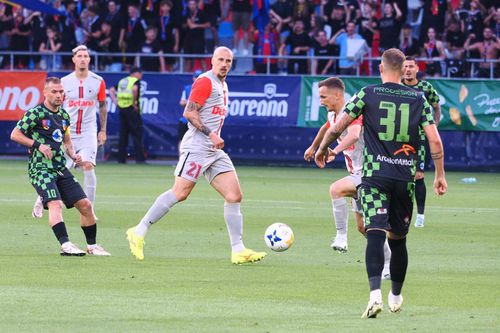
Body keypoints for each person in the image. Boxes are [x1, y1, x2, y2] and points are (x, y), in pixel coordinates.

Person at [314, 48, 447, 318]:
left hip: (374, 177)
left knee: (374, 232)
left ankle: (374, 294)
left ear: (380, 68)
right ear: (403, 70)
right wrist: (440, 175)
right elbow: (434, 140)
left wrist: (323, 149)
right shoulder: (419, 98)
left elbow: (339, 125)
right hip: (404, 178)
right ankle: (395, 295)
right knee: (398, 240)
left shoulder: (368, 93)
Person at [126, 47, 267, 264]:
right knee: (180, 193)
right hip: (197, 147)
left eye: (228, 61)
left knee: (234, 195)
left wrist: (213, 139)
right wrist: (211, 134)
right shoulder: (205, 81)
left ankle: (238, 249)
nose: (225, 64)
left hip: (214, 150)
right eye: (221, 59)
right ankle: (139, 230)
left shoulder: (223, 84)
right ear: (212, 61)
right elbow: (189, 112)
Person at [11, 77, 110, 256]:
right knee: (56, 204)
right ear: (45, 93)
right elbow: (15, 134)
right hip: (40, 168)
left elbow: (67, 141)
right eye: (54, 92)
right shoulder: (35, 113)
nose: (59, 95)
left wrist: (74, 155)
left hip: (60, 167)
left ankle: (92, 246)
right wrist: (37, 145)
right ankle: (65, 245)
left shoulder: (64, 115)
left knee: (86, 205)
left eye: (61, 92)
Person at [304, 77, 391, 279]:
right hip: (357, 172)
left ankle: (341, 237)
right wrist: (314, 146)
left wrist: (334, 151)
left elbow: (353, 134)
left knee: (336, 189)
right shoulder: (334, 113)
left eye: (324, 97)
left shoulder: (353, 108)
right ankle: (389, 261)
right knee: (364, 227)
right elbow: (327, 127)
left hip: (371, 171)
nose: (321, 101)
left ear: (337, 95)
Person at [32, 45, 107, 219]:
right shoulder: (64, 82)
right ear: (73, 59)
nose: (83, 59)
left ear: (89, 59)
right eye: (79, 56)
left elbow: (102, 106)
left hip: (88, 131)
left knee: (88, 166)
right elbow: (52, 105)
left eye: (86, 56)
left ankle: (89, 209)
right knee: (58, 169)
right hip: (67, 132)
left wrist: (103, 130)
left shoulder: (98, 81)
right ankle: (41, 198)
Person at [402, 56, 442, 227]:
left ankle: (420, 215)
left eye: (411, 66)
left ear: (417, 68)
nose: (408, 69)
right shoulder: (396, 86)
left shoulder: (425, 87)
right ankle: (402, 212)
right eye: (405, 66)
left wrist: (433, 127)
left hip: (419, 138)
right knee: (400, 176)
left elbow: (436, 106)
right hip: (400, 138)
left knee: (418, 176)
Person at [109, 67, 146, 164]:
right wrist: (134, 103)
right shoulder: (135, 81)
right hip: (132, 109)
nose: (141, 76)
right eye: (140, 74)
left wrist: (115, 100)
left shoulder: (122, 81)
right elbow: (134, 90)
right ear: (136, 73)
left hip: (121, 109)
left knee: (123, 135)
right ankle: (140, 159)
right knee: (137, 134)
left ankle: (121, 160)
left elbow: (111, 90)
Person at [179, 70, 203, 150]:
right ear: (193, 78)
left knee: (199, 142)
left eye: (199, 77)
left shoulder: (205, 89)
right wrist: (193, 103)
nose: (197, 79)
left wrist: (190, 102)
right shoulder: (187, 88)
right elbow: (182, 102)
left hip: (198, 120)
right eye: (196, 77)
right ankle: (181, 160)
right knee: (183, 141)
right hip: (186, 120)